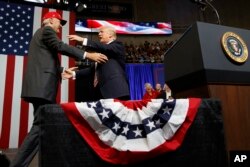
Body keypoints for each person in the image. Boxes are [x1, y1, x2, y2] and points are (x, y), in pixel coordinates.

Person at [10, 11, 108, 167]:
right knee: (40, 127)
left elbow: (44, 60)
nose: (60, 26)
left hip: (40, 85)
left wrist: (61, 70)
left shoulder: (40, 34)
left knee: (41, 126)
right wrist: (88, 55)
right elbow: (60, 46)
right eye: (59, 22)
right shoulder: (47, 30)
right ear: (49, 20)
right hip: (42, 87)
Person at [63, 26, 130, 100]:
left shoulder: (117, 45)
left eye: (102, 32)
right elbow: (93, 70)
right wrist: (73, 73)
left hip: (116, 91)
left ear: (110, 35)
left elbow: (105, 48)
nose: (99, 34)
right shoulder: (102, 52)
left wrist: (83, 40)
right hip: (102, 94)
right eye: (99, 32)